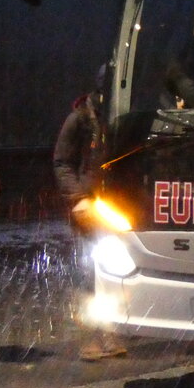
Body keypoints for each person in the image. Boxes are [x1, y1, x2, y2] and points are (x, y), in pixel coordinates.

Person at [53, 70, 127, 361]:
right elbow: (62, 162)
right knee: (94, 272)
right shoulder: (81, 118)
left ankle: (117, 330)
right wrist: (78, 199)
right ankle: (99, 336)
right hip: (94, 207)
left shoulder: (125, 112)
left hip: (125, 205)